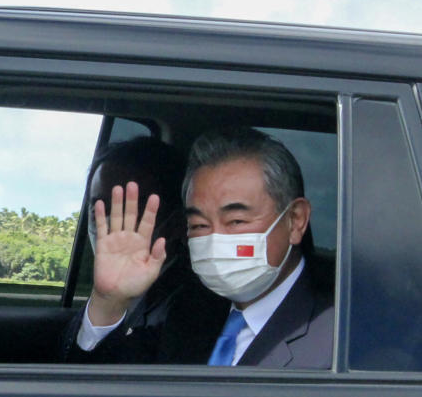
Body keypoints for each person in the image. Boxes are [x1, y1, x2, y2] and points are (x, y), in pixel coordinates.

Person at [74, 126, 333, 368]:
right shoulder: (187, 315)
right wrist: (108, 303)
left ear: (295, 220)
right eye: (199, 225)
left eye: (236, 221)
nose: (215, 238)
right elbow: (104, 393)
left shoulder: (340, 340)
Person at [60, 136, 190, 360]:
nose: (111, 222)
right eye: (99, 208)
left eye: (130, 208)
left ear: (177, 221)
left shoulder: (191, 307)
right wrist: (107, 303)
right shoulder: (101, 294)